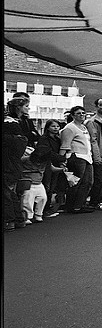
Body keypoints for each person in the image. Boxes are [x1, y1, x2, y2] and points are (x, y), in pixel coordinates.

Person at [59, 105, 95, 214]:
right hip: (76, 156)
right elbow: (65, 145)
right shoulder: (70, 128)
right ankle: (71, 206)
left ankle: (79, 205)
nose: (82, 115)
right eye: (79, 113)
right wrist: (61, 160)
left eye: (83, 113)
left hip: (87, 156)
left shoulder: (84, 127)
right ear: (73, 115)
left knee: (88, 182)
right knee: (76, 182)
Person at [4, 98, 31, 231]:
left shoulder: (10, 123)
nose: (28, 109)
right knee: (11, 191)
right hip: (13, 161)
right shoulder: (17, 123)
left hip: (8, 161)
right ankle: (18, 219)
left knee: (6, 192)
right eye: (26, 106)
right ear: (18, 108)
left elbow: (19, 142)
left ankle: (9, 221)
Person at [39, 119, 68, 218]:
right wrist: (61, 158)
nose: (56, 128)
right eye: (53, 126)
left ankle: (47, 208)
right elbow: (47, 152)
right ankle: (44, 210)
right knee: (46, 186)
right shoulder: (44, 139)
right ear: (47, 127)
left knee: (52, 187)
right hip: (47, 164)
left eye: (57, 126)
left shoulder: (57, 139)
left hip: (56, 164)